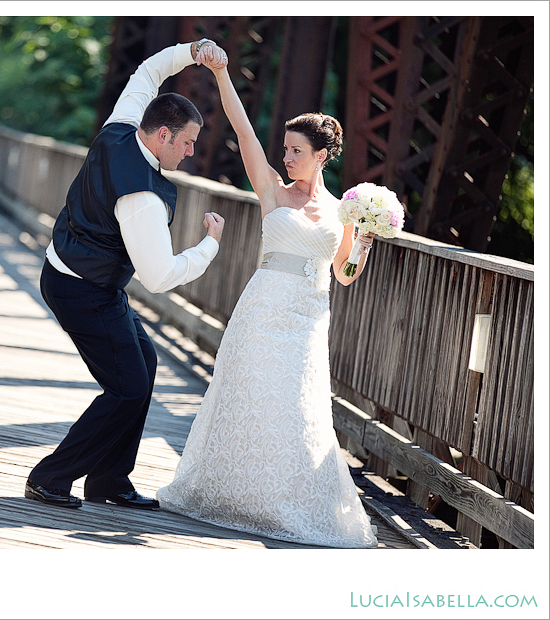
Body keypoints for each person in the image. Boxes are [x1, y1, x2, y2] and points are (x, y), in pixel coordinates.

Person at [155, 50, 379, 547]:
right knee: (252, 400)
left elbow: (344, 275)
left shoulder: (345, 210)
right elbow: (241, 128)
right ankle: (232, 494)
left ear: (321, 156)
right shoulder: (273, 191)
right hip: (261, 310)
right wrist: (220, 74)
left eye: (297, 151)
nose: (287, 157)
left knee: (297, 409)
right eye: (286, 149)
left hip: (306, 318)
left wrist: (363, 237)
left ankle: (285, 502)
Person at [25, 39, 228, 510]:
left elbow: (149, 71)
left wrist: (193, 51)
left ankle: (110, 480)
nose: (192, 152)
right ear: (161, 136)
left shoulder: (122, 125)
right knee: (127, 386)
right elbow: (158, 275)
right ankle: (51, 477)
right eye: (187, 142)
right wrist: (209, 247)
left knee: (145, 361)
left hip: (78, 275)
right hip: (82, 289)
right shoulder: (143, 198)